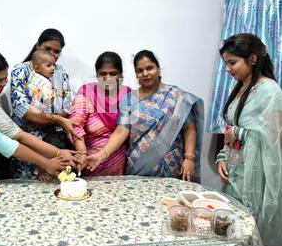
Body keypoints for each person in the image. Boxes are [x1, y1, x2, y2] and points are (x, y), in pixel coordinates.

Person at [215, 33, 282, 246]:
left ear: (253, 58)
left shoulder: (270, 92)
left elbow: (279, 141)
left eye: (232, 62)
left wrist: (238, 133)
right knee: (232, 230)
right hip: (235, 173)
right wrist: (221, 158)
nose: (227, 69)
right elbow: (230, 130)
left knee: (250, 232)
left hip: (256, 178)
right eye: (226, 63)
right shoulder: (242, 87)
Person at [86, 50, 204, 182]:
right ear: (136, 74)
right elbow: (121, 131)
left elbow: (189, 127)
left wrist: (189, 158)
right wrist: (101, 155)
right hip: (138, 167)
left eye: (150, 68)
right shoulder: (129, 99)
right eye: (140, 70)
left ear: (158, 68)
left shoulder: (177, 96)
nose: (145, 74)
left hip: (171, 167)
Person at [10, 28, 81, 179]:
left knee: (53, 184)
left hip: (53, 139)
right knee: (25, 185)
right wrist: (51, 118)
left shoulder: (61, 72)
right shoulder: (20, 70)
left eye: (57, 51)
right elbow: (21, 107)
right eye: (47, 49)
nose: (52, 54)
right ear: (38, 46)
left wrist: (47, 121)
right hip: (27, 138)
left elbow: (67, 105)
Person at [69, 52, 131, 176]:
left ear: (121, 75)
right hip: (89, 164)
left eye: (113, 73)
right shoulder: (87, 92)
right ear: (97, 75)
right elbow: (75, 125)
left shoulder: (128, 94)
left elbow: (124, 131)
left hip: (119, 168)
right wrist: (83, 155)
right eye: (103, 74)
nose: (108, 78)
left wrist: (102, 155)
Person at [27, 49, 56, 113]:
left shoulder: (32, 75)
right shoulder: (46, 83)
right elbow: (49, 101)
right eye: (48, 65)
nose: (53, 68)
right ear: (37, 68)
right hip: (42, 114)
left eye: (54, 65)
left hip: (30, 110)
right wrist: (54, 93)